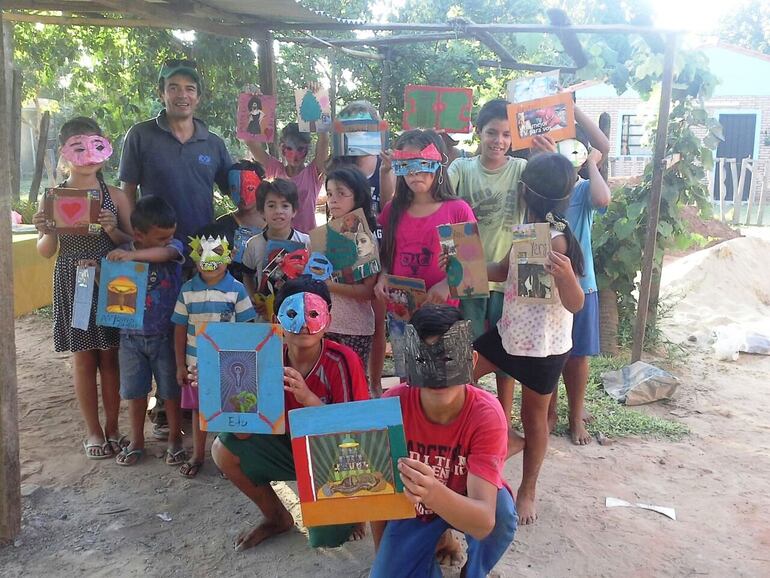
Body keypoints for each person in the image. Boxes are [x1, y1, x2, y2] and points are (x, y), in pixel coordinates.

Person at [210, 277, 370, 551]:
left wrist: (308, 398)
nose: (304, 325)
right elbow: (241, 432)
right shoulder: (261, 357)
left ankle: (355, 510)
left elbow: (355, 431)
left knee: (327, 539)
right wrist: (216, 393)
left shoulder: (343, 360)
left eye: (314, 314)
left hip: (331, 453)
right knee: (223, 449)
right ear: (276, 318)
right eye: (293, 314)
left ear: (328, 321)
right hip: (287, 445)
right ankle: (277, 518)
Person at [473, 152, 585, 525]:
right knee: (459, 372)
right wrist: (462, 267)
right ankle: (499, 445)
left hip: (545, 346)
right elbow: (502, 271)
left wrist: (567, 275)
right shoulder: (526, 233)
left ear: (523, 191)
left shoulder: (561, 241)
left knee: (533, 416)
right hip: (508, 334)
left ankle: (527, 490)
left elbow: (576, 303)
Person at [371, 305, 516, 577]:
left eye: (448, 359)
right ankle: (435, 542)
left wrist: (432, 492)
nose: (437, 374)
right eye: (425, 361)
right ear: (410, 362)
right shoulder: (392, 407)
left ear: (470, 361)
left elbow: (485, 521)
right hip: (413, 510)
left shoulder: (486, 414)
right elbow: (379, 493)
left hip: (464, 498)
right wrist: (385, 559)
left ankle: (473, 572)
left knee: (502, 514)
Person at [32, 116, 133, 459]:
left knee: (111, 356)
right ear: (65, 152)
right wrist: (47, 229)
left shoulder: (116, 197)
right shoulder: (53, 196)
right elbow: (46, 251)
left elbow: (134, 243)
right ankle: (93, 430)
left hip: (114, 281)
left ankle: (114, 427)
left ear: (105, 148)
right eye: (79, 146)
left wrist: (112, 229)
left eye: (95, 145)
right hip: (73, 281)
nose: (89, 155)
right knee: (83, 359)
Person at [374, 129, 476, 381]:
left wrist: (447, 283)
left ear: (438, 164)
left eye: (422, 162)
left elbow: (471, 265)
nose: (414, 172)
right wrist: (383, 276)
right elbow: (387, 252)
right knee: (408, 379)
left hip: (443, 315)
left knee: (448, 379)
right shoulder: (393, 210)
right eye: (405, 164)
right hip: (401, 313)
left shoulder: (457, 210)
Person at [448, 99, 527, 423]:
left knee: (504, 350)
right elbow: (439, 197)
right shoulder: (461, 169)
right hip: (468, 272)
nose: (499, 140)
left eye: (507, 134)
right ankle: (467, 413)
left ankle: (502, 420)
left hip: (510, 273)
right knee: (468, 348)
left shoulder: (523, 169)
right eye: (492, 132)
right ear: (478, 132)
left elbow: (555, 182)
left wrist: (545, 149)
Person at [119, 58, 232, 258]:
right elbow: (127, 192)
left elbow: (235, 192)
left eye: (190, 89)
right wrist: (134, 238)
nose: (182, 95)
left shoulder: (214, 143)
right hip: (154, 251)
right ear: (161, 94)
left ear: (198, 97)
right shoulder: (140, 135)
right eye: (173, 88)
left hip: (204, 250)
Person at [171, 225, 256, 478]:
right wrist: (179, 365)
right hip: (196, 366)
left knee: (230, 409)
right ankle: (198, 455)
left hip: (230, 367)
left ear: (229, 256)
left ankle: (226, 457)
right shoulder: (187, 290)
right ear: (195, 257)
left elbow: (247, 328)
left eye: (217, 252)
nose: (210, 261)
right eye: (203, 253)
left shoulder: (237, 289)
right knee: (200, 410)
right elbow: (178, 328)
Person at [548, 107, 612, 445]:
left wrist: (591, 162)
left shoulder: (584, 189)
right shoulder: (542, 189)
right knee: (551, 354)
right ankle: (551, 411)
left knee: (578, 355)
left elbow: (603, 197)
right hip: (545, 286)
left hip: (582, 287)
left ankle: (575, 416)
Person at [106, 195, 185, 466]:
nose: (168, 240)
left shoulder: (172, 247)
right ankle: (137, 439)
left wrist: (132, 255)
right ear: (138, 234)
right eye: (161, 236)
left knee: (171, 392)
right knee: (134, 392)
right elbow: (112, 286)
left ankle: (175, 437)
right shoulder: (123, 251)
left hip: (166, 335)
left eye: (170, 235)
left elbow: (165, 253)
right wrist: (97, 270)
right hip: (130, 338)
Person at [327, 99, 395, 396]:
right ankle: (347, 379)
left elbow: (390, 209)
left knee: (378, 320)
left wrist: (387, 173)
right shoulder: (341, 165)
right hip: (346, 245)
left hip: (379, 245)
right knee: (348, 316)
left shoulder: (385, 164)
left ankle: (375, 381)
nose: (359, 135)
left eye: (365, 127)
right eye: (352, 129)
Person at [324, 166, 378, 374]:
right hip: (324, 326)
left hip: (355, 329)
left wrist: (328, 285)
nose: (333, 199)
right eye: (329, 193)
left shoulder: (365, 239)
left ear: (357, 197)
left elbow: (368, 292)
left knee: (353, 386)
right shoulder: (322, 236)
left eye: (341, 193)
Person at [247, 100, 329, 233]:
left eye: (300, 149)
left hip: (306, 241)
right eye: (289, 148)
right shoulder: (274, 169)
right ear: (281, 147)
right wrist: (257, 101)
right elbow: (250, 142)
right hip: (277, 241)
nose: (294, 155)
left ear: (308, 149)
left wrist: (319, 100)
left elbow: (324, 139)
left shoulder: (313, 172)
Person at [241, 179, 310, 320]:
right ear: (261, 211)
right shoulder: (254, 244)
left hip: (298, 317)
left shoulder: (306, 242)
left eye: (285, 206)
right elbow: (247, 275)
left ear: (294, 211)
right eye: (271, 206)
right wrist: (253, 297)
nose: (278, 211)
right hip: (265, 319)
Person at [207, 160, 267, 283]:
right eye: (235, 188)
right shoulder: (222, 225)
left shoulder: (274, 224)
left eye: (250, 188)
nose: (242, 195)